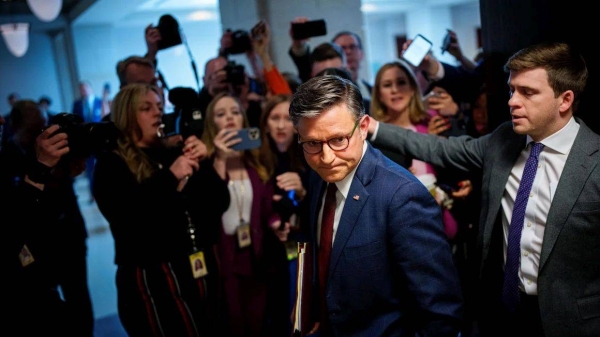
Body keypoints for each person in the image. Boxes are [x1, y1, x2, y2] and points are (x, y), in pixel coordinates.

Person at [367, 42, 600, 336]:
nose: (512, 101)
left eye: (527, 92)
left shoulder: (595, 162)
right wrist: (372, 127)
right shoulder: (504, 140)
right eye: (512, 90)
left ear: (564, 99)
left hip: (573, 323)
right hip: (502, 316)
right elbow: (440, 149)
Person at [288, 75, 463, 336]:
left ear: (363, 126)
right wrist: (308, 308)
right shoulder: (318, 177)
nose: (326, 157)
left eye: (338, 140)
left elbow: (441, 313)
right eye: (313, 143)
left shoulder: (402, 197)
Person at [92, 83, 230, 336]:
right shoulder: (111, 165)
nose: (157, 113)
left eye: (159, 106)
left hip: (199, 266)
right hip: (153, 278)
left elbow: (220, 202)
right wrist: (170, 177)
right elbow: (129, 218)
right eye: (146, 108)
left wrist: (205, 161)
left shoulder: (171, 152)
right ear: (126, 115)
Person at [201, 92, 289, 337]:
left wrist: (275, 224)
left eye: (235, 112)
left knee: (258, 323)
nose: (229, 118)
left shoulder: (255, 163)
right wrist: (219, 159)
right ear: (212, 124)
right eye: (221, 114)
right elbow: (207, 208)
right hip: (223, 260)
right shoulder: (204, 164)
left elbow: (266, 208)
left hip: (256, 257)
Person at [1, 108, 93, 335]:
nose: (40, 134)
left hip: (67, 237)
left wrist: (66, 166)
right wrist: (40, 170)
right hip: (24, 281)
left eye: (43, 125)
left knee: (78, 301)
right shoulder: (9, 157)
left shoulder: (47, 153)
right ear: (17, 128)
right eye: (34, 128)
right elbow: (14, 223)